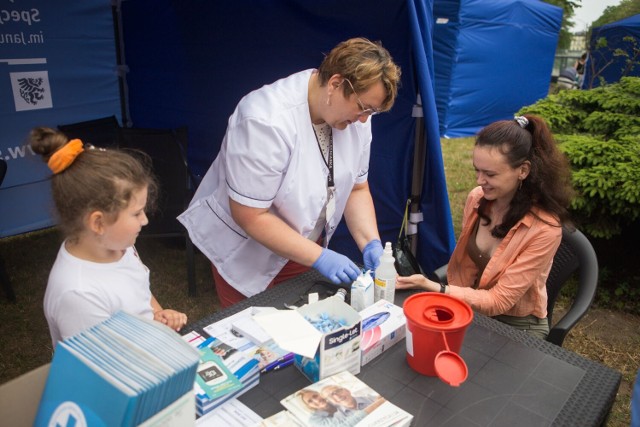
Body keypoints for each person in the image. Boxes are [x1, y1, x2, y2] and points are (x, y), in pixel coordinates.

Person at [178, 37, 402, 307]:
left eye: (373, 112)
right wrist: (320, 257)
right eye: (363, 107)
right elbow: (251, 216)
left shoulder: (354, 117)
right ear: (335, 84)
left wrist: (371, 243)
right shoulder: (264, 120)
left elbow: (357, 187)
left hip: (302, 247)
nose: (365, 119)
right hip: (247, 251)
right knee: (256, 338)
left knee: (299, 326)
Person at [396, 115, 574, 339]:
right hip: (468, 305)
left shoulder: (545, 229)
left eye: (490, 174)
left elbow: (499, 301)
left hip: (517, 324)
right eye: (476, 170)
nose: (480, 180)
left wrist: (436, 288)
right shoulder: (477, 200)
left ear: (523, 171)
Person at [30, 127, 188, 347]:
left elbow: (139, 291)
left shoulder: (118, 245)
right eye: (136, 213)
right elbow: (101, 369)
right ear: (98, 222)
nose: (145, 220)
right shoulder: (79, 295)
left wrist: (158, 314)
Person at [297, 388, 382, 427]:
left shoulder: (334, 401)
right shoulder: (314, 421)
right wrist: (378, 403)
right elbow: (346, 425)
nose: (316, 401)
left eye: (315, 396)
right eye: (310, 401)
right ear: (309, 406)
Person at [320, 384, 385, 416]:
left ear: (347, 390)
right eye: (330, 396)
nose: (337, 396)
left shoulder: (373, 398)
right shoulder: (339, 418)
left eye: (337, 391)